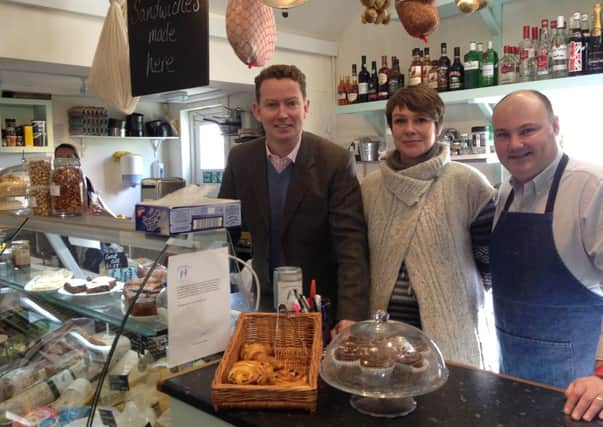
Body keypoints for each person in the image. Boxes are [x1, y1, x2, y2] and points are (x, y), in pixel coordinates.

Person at [218, 64, 370, 329]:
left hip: (318, 304)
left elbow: (351, 246)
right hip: (261, 302)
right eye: (271, 105)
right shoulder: (240, 159)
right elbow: (224, 233)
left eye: (291, 103)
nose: (282, 114)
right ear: (257, 110)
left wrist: (351, 314)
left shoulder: (334, 161)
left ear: (306, 107)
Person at [361, 85, 496, 368]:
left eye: (421, 120)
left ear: (438, 125)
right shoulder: (371, 187)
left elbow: (489, 263)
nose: (410, 129)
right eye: (400, 121)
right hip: (384, 330)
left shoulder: (467, 183)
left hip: (449, 328)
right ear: (391, 127)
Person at [490, 90, 603, 421]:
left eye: (527, 130)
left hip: (580, 394)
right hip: (513, 377)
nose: (515, 144)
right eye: (503, 134)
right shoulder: (506, 193)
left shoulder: (591, 187)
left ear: (554, 126)